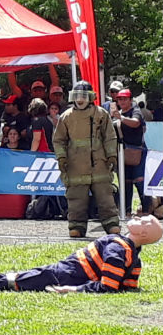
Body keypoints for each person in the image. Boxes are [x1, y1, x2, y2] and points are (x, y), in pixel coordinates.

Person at [0, 215, 163, 293]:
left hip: (65, 276)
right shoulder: (130, 254)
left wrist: (72, 289)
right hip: (64, 272)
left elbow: (108, 286)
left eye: (145, 221)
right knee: (13, 278)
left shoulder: (119, 250)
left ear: (143, 232)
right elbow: (128, 286)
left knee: (12, 280)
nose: (139, 217)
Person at [53, 80, 120, 238]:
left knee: (105, 196)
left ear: (90, 97)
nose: (80, 99)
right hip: (75, 164)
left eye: (83, 96)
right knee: (76, 197)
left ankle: (111, 224)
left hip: (99, 164)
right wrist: (62, 157)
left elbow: (110, 136)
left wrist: (111, 155)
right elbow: (59, 140)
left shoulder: (100, 114)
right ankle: (76, 225)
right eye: (77, 96)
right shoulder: (66, 117)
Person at [111, 89, 149, 215]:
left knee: (140, 182)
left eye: (124, 99)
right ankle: (125, 211)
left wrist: (120, 118)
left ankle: (146, 210)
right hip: (122, 153)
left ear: (130, 100)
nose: (122, 101)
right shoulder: (118, 113)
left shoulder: (136, 111)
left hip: (137, 152)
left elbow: (136, 123)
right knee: (125, 182)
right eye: (119, 99)